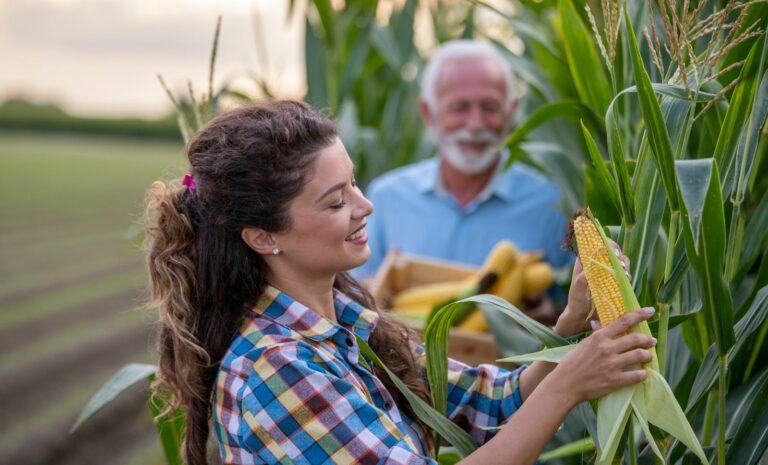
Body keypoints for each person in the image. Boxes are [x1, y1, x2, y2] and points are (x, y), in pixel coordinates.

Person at [144, 100, 656, 465]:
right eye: (336, 201)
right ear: (261, 237)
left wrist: (567, 328)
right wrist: (569, 383)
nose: (365, 207)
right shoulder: (277, 367)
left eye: (354, 183)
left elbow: (491, 403)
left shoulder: (348, 325)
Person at [355, 40, 572, 320]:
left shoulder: (553, 203)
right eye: (459, 107)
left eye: (491, 107)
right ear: (428, 114)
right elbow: (351, 294)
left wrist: (552, 317)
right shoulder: (386, 198)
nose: (476, 124)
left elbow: (579, 310)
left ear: (512, 111)